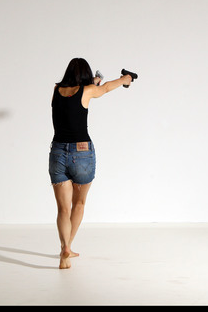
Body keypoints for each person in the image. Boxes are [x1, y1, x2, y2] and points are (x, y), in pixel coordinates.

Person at [49, 58, 133, 269]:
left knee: (62, 209)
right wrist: (125, 78)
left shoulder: (56, 89)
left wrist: (91, 84)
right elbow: (105, 89)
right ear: (85, 75)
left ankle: (65, 248)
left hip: (58, 152)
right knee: (79, 204)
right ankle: (65, 249)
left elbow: (78, 95)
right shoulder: (87, 91)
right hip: (82, 153)